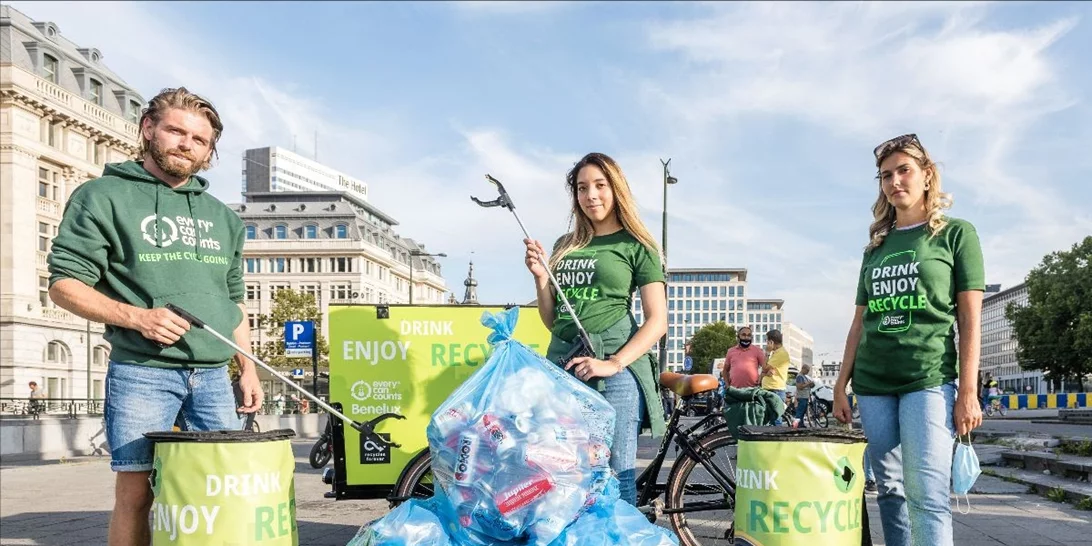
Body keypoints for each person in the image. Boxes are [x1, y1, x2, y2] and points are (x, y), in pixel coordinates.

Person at [47, 87, 264, 546]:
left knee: (222, 488)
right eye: (176, 131)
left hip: (213, 375)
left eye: (199, 140)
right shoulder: (102, 196)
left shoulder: (224, 218)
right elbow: (64, 284)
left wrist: (248, 368)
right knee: (136, 493)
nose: (187, 144)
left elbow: (233, 300)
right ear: (148, 129)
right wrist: (137, 318)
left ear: (209, 152)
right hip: (142, 371)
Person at [833, 133, 985, 546]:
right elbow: (859, 323)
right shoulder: (875, 248)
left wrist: (968, 391)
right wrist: (840, 385)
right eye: (886, 175)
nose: (895, 181)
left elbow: (970, 319)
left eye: (904, 170)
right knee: (890, 491)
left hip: (928, 379)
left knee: (927, 494)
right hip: (873, 384)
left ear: (927, 175)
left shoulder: (956, 235)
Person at [523, 152, 667, 506]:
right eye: (582, 188)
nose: (591, 196)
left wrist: (613, 363)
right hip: (563, 367)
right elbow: (555, 321)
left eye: (600, 185)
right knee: (564, 475)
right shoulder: (564, 246)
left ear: (616, 189)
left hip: (615, 373)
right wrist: (541, 279)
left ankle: (619, 533)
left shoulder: (637, 245)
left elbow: (657, 320)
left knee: (616, 478)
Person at [761, 329, 790, 425]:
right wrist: (765, 373)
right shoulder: (777, 353)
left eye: (767, 341)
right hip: (771, 389)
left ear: (771, 342)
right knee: (770, 419)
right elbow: (765, 371)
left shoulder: (780, 354)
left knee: (775, 419)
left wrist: (767, 352)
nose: (766, 344)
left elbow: (764, 368)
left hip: (774, 389)